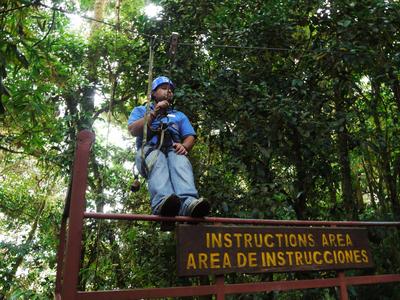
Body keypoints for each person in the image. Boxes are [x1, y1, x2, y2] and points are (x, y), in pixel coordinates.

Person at [128, 76, 210, 218]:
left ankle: (188, 203)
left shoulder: (179, 115)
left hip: (172, 149)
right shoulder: (141, 110)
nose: (168, 91)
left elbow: (190, 136)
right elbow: (133, 130)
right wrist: (155, 113)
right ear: (153, 93)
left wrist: (184, 146)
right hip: (149, 151)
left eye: (171, 89)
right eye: (164, 88)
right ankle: (162, 202)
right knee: (157, 159)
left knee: (180, 160)